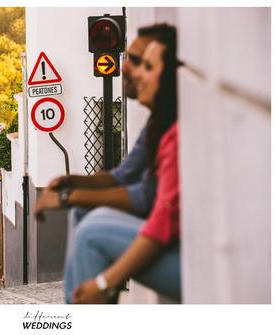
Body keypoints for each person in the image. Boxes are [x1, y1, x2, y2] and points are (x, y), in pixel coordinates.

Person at [69, 24, 181, 303]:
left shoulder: (176, 136)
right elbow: (128, 176)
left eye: (146, 65)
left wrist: (104, 282)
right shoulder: (161, 125)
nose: (133, 72)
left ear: (168, 77)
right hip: (171, 238)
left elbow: (157, 215)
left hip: (188, 258)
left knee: (91, 233)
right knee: (84, 213)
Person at [35, 25, 170, 221]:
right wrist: (72, 181)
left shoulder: (170, 127)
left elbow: (145, 195)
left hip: (157, 227)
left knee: (91, 229)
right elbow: (121, 176)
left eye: (139, 62)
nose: (123, 66)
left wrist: (70, 196)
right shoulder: (155, 121)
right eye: (126, 57)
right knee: (82, 212)